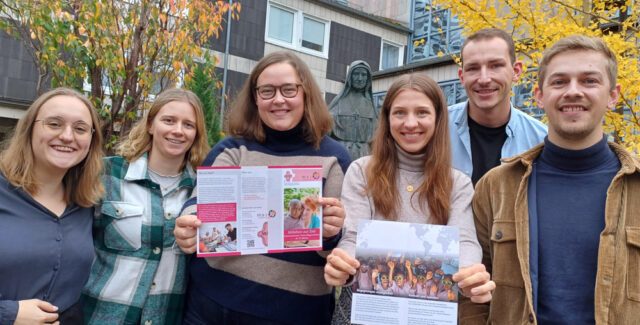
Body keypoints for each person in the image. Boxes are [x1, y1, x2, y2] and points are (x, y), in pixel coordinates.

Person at [470, 35, 640, 324]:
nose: (573, 92)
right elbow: (471, 290)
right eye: (559, 82)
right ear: (539, 95)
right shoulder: (496, 187)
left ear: (613, 95)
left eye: (589, 81)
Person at [173, 51, 351, 325]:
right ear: (255, 99)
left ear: (306, 94)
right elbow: (200, 203)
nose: (278, 99)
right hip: (211, 306)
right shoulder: (233, 149)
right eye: (267, 91)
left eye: (288, 89)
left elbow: (341, 252)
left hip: (293, 313)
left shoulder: (334, 160)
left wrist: (332, 233)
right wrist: (188, 222)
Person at [324, 74, 495, 324]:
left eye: (422, 113)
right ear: (387, 119)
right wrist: (343, 264)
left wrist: (469, 273)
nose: (411, 123)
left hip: (427, 314)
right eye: (400, 113)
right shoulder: (362, 170)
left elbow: (465, 241)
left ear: (438, 120)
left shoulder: (457, 182)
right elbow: (352, 237)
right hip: (366, 311)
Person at [82, 88, 209, 324]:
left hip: (166, 317)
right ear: (151, 125)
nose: (178, 131)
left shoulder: (203, 190)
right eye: (169, 120)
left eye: (188, 125)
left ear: (197, 134)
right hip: (102, 316)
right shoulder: (107, 174)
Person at [0, 88, 104, 325]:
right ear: (30, 129)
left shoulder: (87, 203)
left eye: (80, 129)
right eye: (54, 124)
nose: (68, 136)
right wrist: (8, 314)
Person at [450, 28, 547, 185]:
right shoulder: (436, 129)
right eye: (473, 68)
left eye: (495, 66)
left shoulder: (540, 141)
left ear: (516, 71)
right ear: (462, 77)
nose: (484, 79)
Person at [329, 60, 377, 160]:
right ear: (350, 76)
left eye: (364, 75)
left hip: (365, 155)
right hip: (341, 154)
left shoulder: (371, 106)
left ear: (368, 79)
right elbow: (326, 132)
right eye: (356, 74)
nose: (360, 78)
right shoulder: (338, 102)